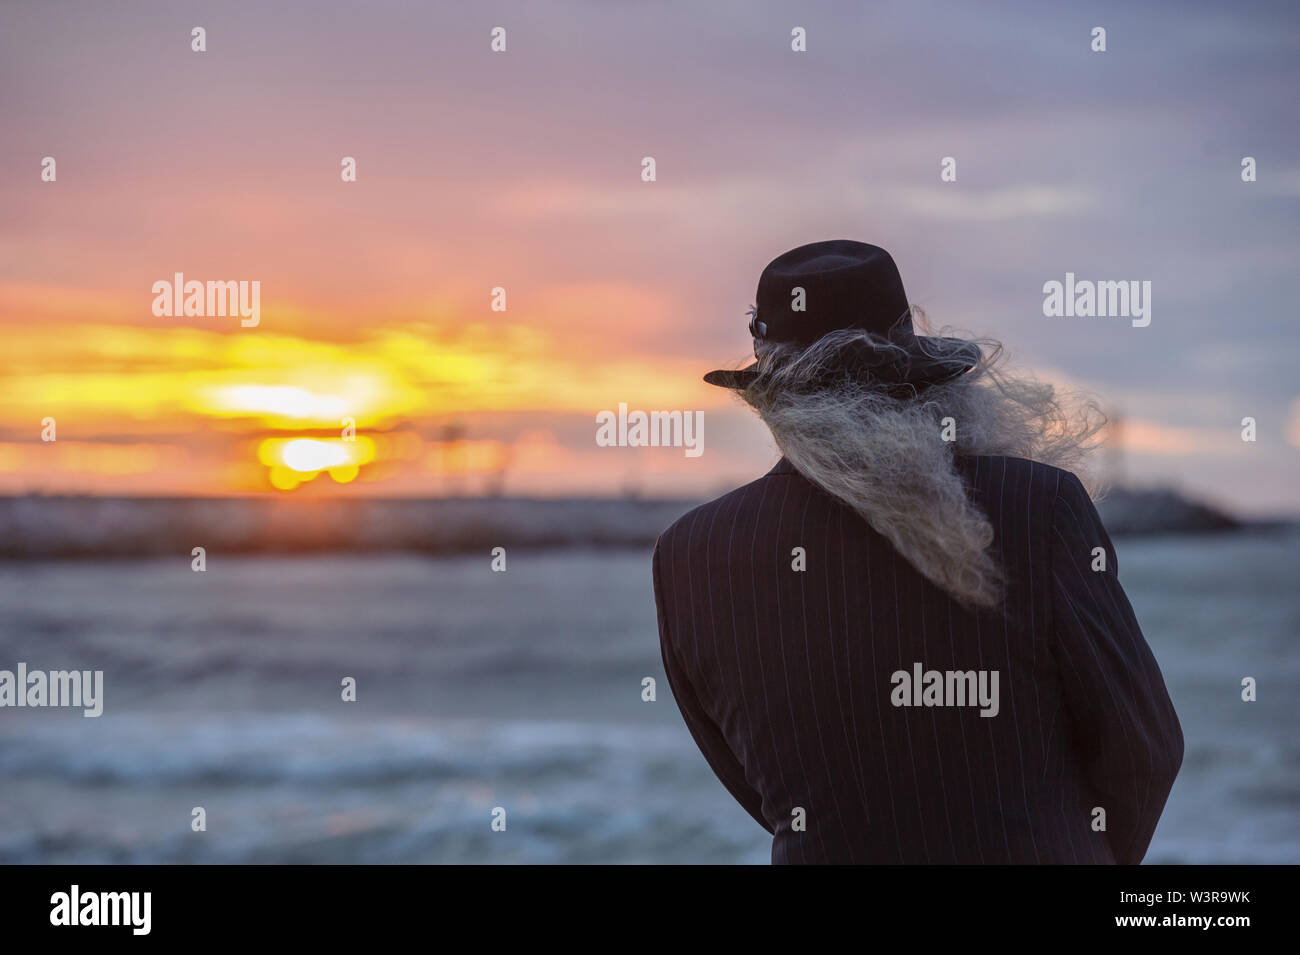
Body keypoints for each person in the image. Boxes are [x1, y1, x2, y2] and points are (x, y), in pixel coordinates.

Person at [651, 240, 1183, 864]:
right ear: (924, 381)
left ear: (773, 400)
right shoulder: (1041, 507)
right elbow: (1143, 747)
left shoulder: (689, 553)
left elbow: (757, 785)